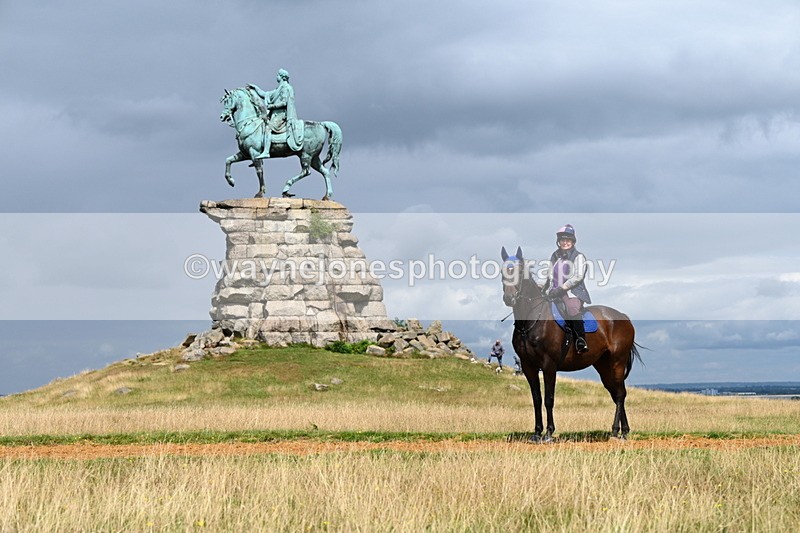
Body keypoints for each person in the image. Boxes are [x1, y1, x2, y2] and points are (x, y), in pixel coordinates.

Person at [545, 224, 591, 353]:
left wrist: (562, 288)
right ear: (558, 242)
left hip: (572, 293)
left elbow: (578, 276)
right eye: (562, 240)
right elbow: (548, 276)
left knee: (572, 309)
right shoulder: (554, 256)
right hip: (553, 292)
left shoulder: (579, 257)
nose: (565, 243)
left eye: (568, 240)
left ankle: (580, 340)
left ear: (573, 242)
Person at [247, 68, 302, 158]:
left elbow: (285, 102)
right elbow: (265, 94)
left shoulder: (286, 88)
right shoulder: (278, 89)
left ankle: (266, 151)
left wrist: (273, 106)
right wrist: (255, 88)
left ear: (282, 77)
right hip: (275, 115)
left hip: (281, 116)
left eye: (277, 75)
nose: (276, 77)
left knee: (268, 128)